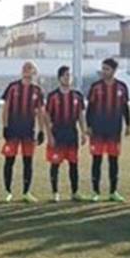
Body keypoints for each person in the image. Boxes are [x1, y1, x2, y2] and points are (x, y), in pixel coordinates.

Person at [86, 58, 130, 202]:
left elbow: (125, 108)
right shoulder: (95, 87)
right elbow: (90, 108)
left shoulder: (122, 87)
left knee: (113, 161)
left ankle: (113, 192)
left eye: (107, 69)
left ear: (114, 70)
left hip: (114, 130)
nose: (104, 71)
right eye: (103, 68)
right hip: (97, 130)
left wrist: (128, 125)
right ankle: (95, 192)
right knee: (96, 160)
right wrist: (89, 126)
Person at [0, 62, 44, 203]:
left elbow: (40, 112)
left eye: (29, 68)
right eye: (24, 67)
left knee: (28, 162)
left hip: (28, 131)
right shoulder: (13, 87)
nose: (26, 70)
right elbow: (6, 108)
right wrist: (5, 126)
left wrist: (41, 130)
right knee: (9, 160)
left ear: (34, 72)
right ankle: (8, 192)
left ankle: (26, 192)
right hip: (13, 130)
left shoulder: (37, 90)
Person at [44, 66, 87, 202]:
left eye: (70, 75)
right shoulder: (53, 96)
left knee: (73, 164)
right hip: (57, 134)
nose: (68, 78)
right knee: (55, 164)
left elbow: (80, 115)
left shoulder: (77, 96)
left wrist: (83, 132)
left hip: (72, 134)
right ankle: (55, 193)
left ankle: (75, 192)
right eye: (65, 75)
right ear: (60, 78)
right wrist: (49, 135)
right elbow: (47, 116)